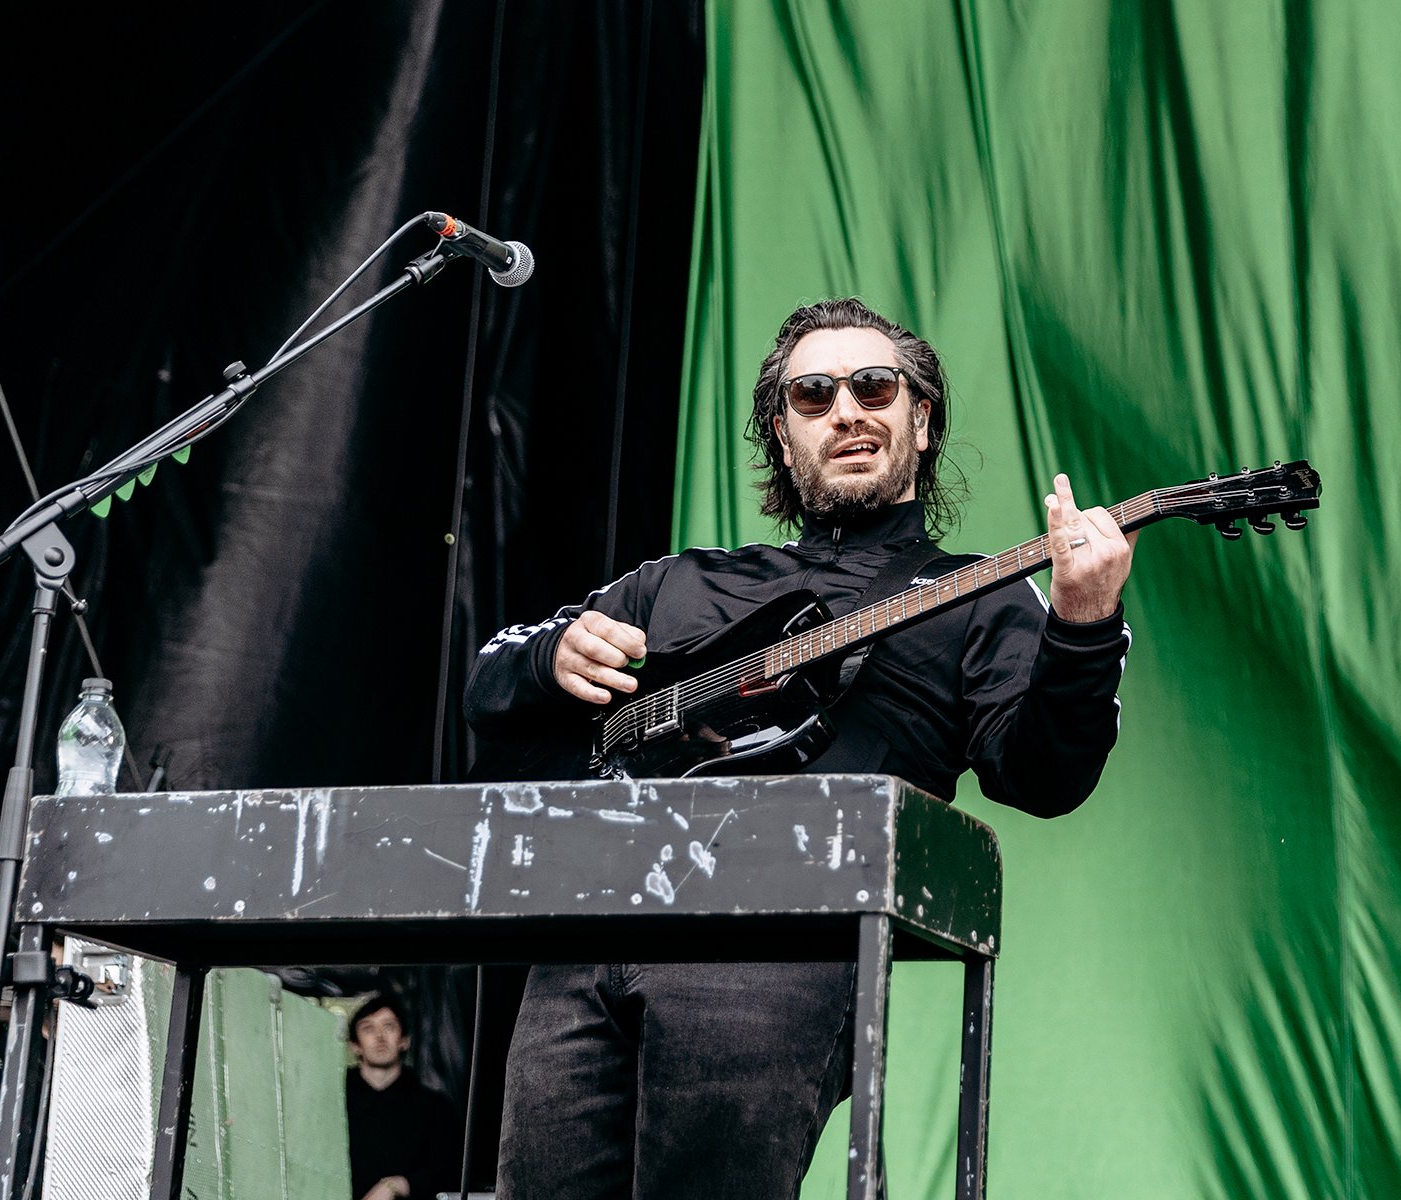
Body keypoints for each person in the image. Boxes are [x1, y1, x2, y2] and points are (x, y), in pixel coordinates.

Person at [464, 297, 1136, 1199]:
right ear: (784, 438)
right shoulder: (679, 582)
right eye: (813, 395)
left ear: (920, 419)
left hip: (777, 935)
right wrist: (550, 655)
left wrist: (1085, 625)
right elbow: (487, 686)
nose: (847, 410)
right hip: (593, 925)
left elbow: (1045, 777)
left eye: (875, 386)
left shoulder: (978, 596)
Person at [345, 992, 462, 1200]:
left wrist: (399, 1185)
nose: (380, 1036)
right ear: (354, 1045)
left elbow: (452, 1171)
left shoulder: (434, 1107)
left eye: (389, 1026)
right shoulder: (334, 1103)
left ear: (405, 1041)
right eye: (368, 1028)